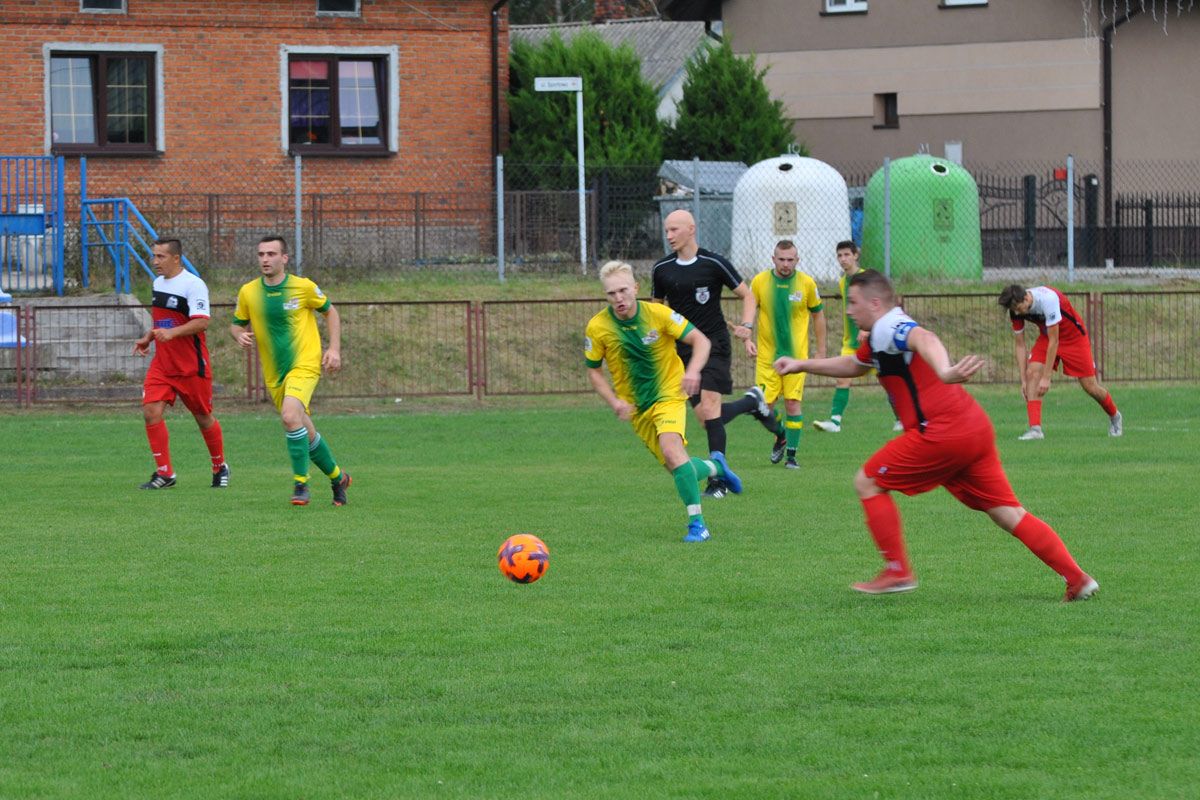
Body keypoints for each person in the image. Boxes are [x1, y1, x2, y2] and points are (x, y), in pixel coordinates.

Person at [775, 270, 1098, 602]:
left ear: (874, 303)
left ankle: (898, 571)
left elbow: (924, 338)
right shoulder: (878, 336)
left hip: (942, 432)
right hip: (972, 427)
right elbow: (856, 365)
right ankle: (1078, 579)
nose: (848, 310)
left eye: (853, 302)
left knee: (867, 482)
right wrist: (801, 365)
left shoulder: (888, 325)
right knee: (1008, 513)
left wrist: (944, 370)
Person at [585, 260, 743, 543]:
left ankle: (698, 525)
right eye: (611, 293)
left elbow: (702, 341)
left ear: (636, 288)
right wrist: (614, 401)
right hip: (637, 407)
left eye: (623, 290)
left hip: (669, 393)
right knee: (677, 467)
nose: (618, 298)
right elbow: (594, 371)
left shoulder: (659, 314)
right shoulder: (598, 327)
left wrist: (693, 371)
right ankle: (716, 467)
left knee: (672, 451)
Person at [652, 209, 768, 498]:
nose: (669, 236)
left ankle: (718, 482)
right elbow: (655, 312)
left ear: (691, 229)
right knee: (706, 418)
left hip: (715, 345)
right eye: (666, 231)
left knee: (711, 405)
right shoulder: (661, 269)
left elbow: (748, 295)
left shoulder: (713, 263)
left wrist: (746, 326)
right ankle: (751, 402)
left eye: (674, 230)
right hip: (682, 351)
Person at [229, 236, 351, 506]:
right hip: (275, 372)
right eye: (261, 254)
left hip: (305, 364)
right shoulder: (248, 291)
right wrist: (238, 334)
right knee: (303, 430)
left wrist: (334, 349)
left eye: (271, 254)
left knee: (289, 416)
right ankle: (338, 477)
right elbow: (237, 324)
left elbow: (330, 312)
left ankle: (301, 483)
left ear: (284, 258)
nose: (265, 259)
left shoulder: (303, 287)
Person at [133, 238, 229, 489]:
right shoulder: (158, 283)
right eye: (154, 256)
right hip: (163, 364)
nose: (155, 261)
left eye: (161, 256)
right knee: (150, 412)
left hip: (191, 365)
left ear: (176, 258)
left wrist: (172, 334)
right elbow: (162, 321)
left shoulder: (194, 285)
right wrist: (149, 336)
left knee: (203, 417)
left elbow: (202, 322)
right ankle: (165, 473)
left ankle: (219, 466)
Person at [998, 284, 1122, 440]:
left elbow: (1054, 341)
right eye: (1013, 309)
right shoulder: (1016, 309)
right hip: (1047, 337)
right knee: (1032, 373)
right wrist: (1024, 380)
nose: (1016, 312)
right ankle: (1035, 430)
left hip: (1073, 339)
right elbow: (1020, 345)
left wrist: (1046, 377)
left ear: (1026, 298)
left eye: (1017, 308)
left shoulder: (1048, 299)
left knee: (1090, 387)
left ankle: (1115, 416)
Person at [741, 240, 826, 469]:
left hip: (796, 358)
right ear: (773, 259)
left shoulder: (806, 283)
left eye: (790, 260)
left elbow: (818, 315)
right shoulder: (760, 281)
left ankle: (791, 457)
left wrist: (821, 350)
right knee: (762, 407)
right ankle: (781, 435)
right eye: (781, 259)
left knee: (792, 404)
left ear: (797, 260)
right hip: (767, 357)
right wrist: (747, 338)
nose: (786, 264)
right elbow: (749, 309)